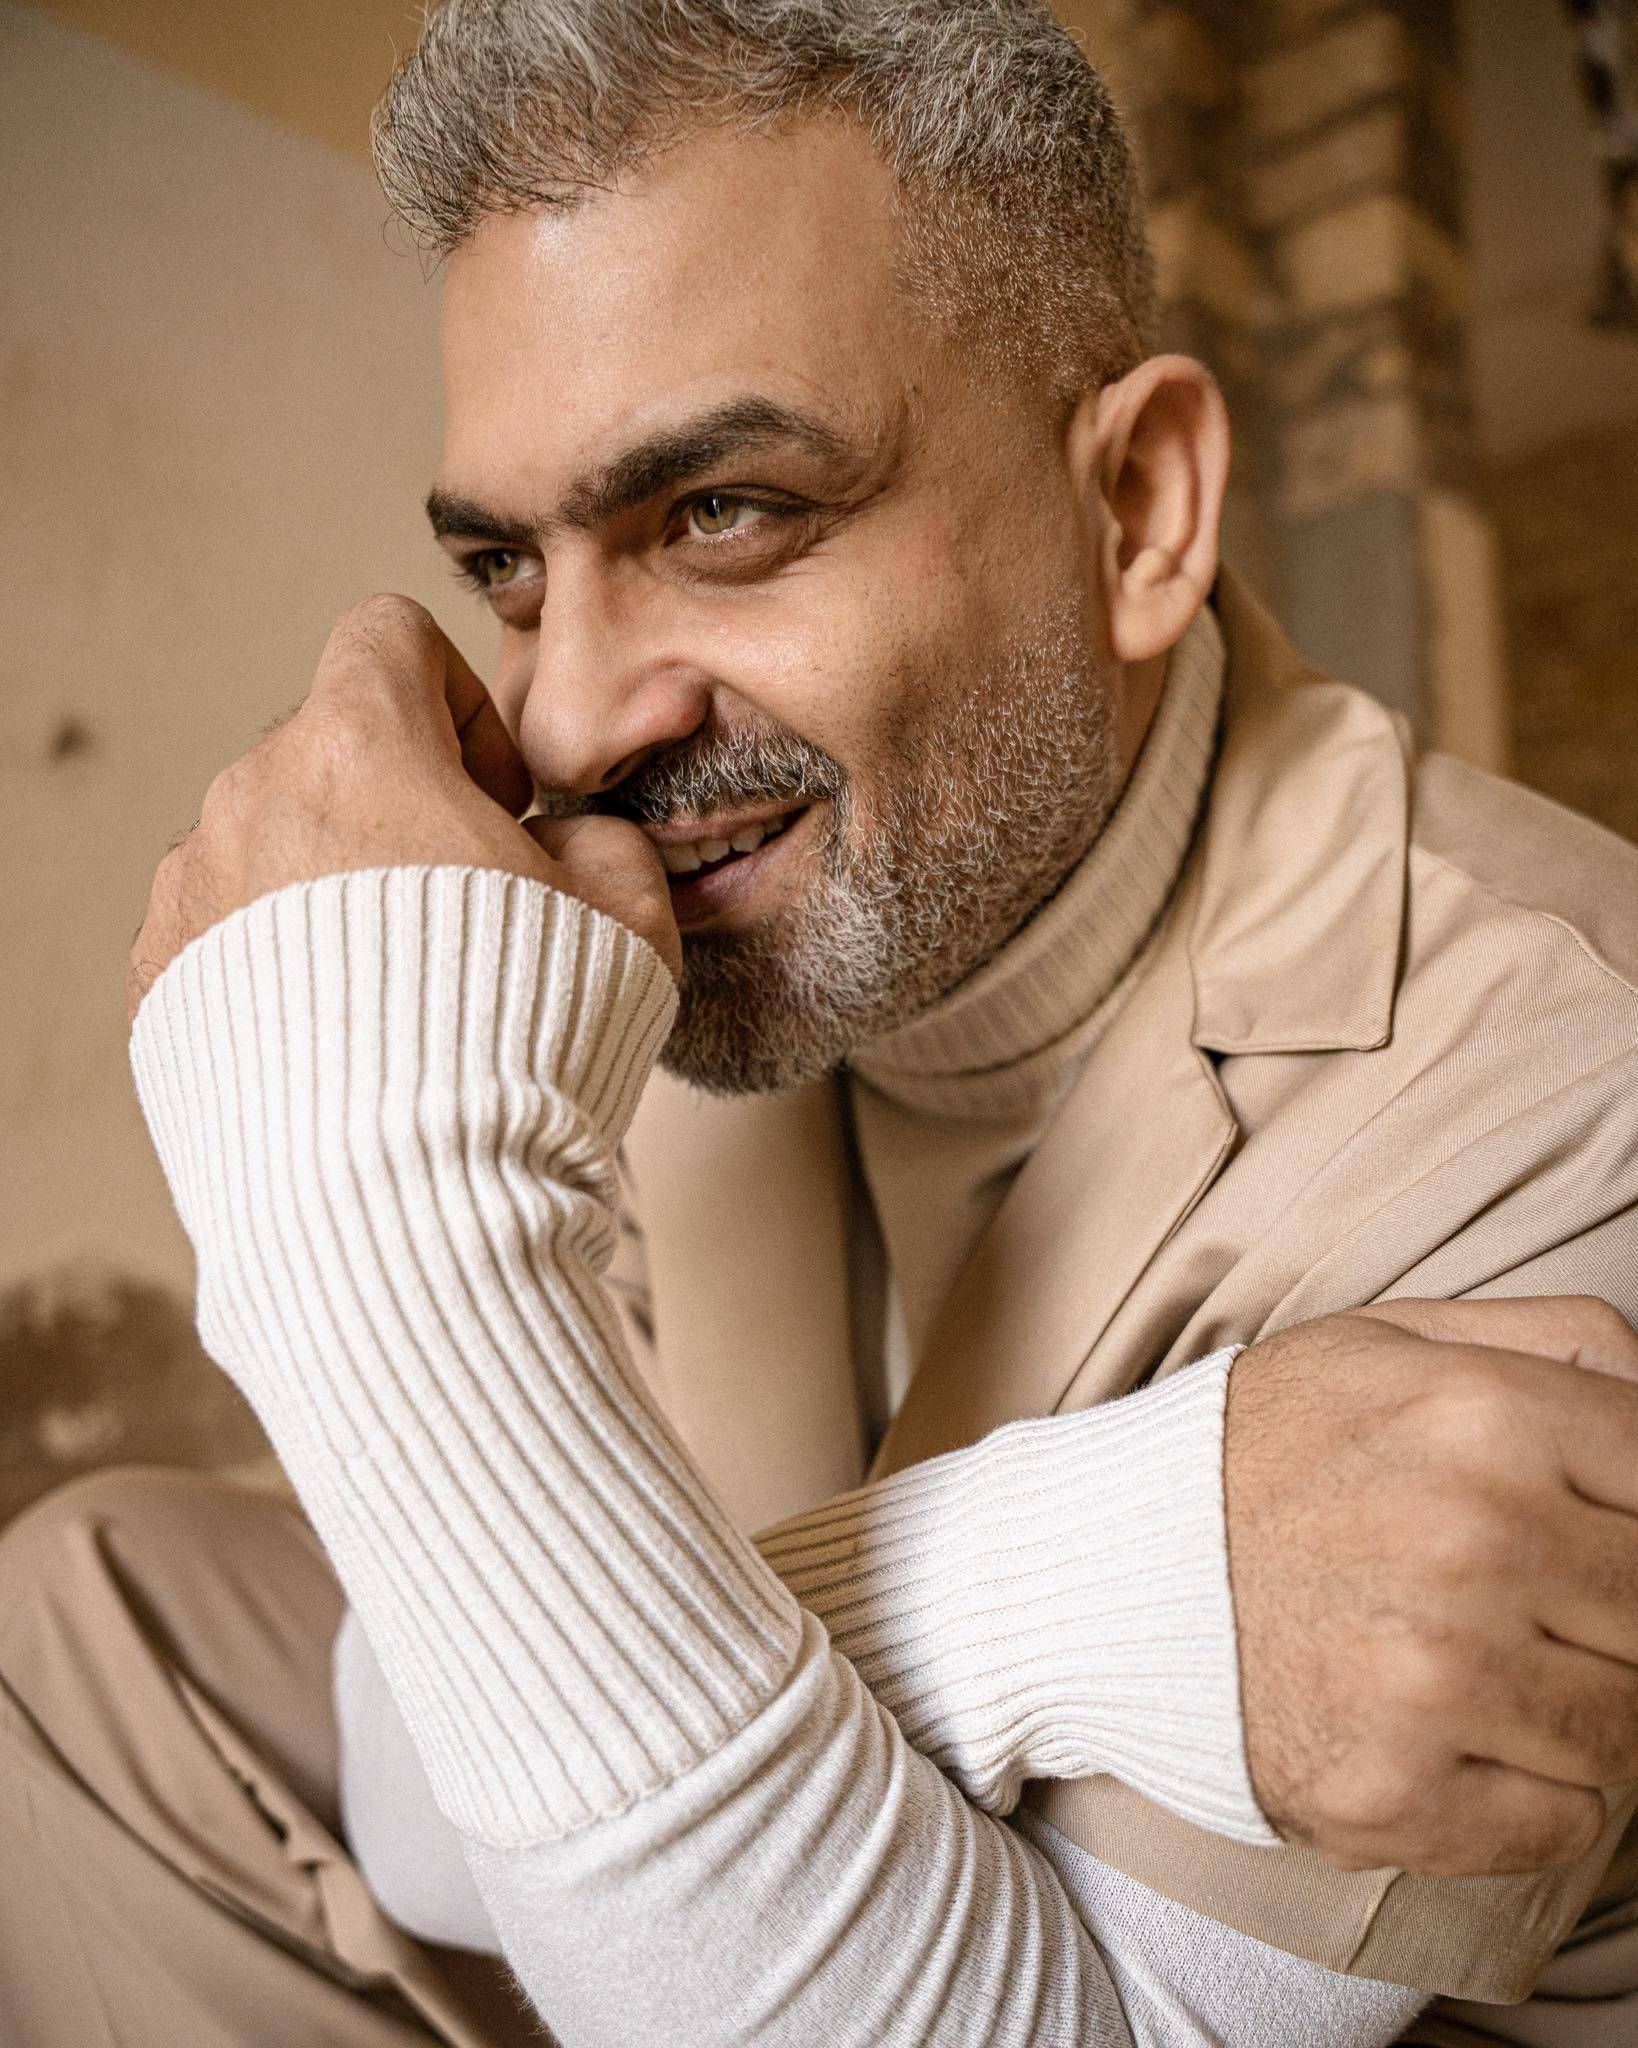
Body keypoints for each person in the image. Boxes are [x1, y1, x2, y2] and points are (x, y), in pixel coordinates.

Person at [3, 2, 1636, 2043]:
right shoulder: (710, 923)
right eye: (511, 567)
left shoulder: (1560, 1080)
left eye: (722, 512)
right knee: (86, 1601)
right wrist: (1090, 1571)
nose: (573, 723)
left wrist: (376, 1223)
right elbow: (460, 1740)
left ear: (1137, 509)